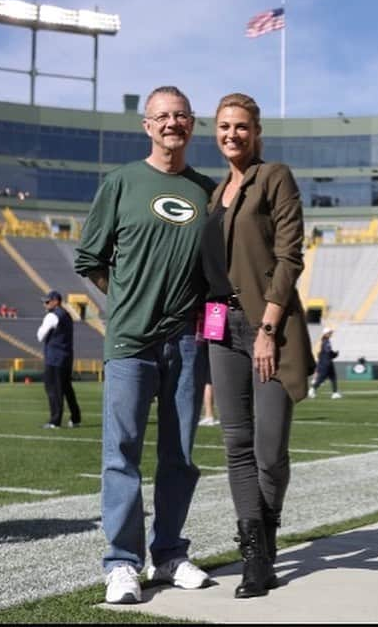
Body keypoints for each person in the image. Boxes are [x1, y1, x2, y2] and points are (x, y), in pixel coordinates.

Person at [74, 85, 215, 605]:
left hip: (187, 342)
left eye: (180, 116)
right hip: (130, 341)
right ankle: (122, 563)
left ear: (191, 125)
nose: (171, 123)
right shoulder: (120, 183)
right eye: (162, 116)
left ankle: (171, 553)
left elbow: (215, 272)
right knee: (122, 455)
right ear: (147, 125)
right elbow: (89, 258)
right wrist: (127, 300)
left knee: (179, 456)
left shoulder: (207, 190)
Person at [199, 92, 315, 599]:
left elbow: (290, 257)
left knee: (269, 452)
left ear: (257, 130)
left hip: (268, 326)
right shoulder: (216, 192)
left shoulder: (275, 177)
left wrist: (268, 328)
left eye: (242, 126)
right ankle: (256, 559)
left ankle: (264, 542)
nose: (232, 134)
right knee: (236, 447)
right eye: (225, 126)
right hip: (221, 328)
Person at [36, 290, 81, 429]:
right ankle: (75, 417)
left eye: (48, 301)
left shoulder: (52, 316)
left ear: (56, 301)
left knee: (53, 389)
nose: (45, 304)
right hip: (66, 357)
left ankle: (55, 421)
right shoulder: (66, 315)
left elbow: (40, 336)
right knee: (67, 388)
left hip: (54, 358)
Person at [309, 327, 341, 399]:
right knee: (322, 378)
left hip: (326, 362)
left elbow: (323, 353)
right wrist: (334, 354)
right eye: (330, 333)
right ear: (326, 334)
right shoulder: (326, 342)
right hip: (326, 363)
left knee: (333, 377)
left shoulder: (325, 341)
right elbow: (328, 352)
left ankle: (335, 393)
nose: (331, 334)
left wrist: (333, 354)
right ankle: (312, 389)